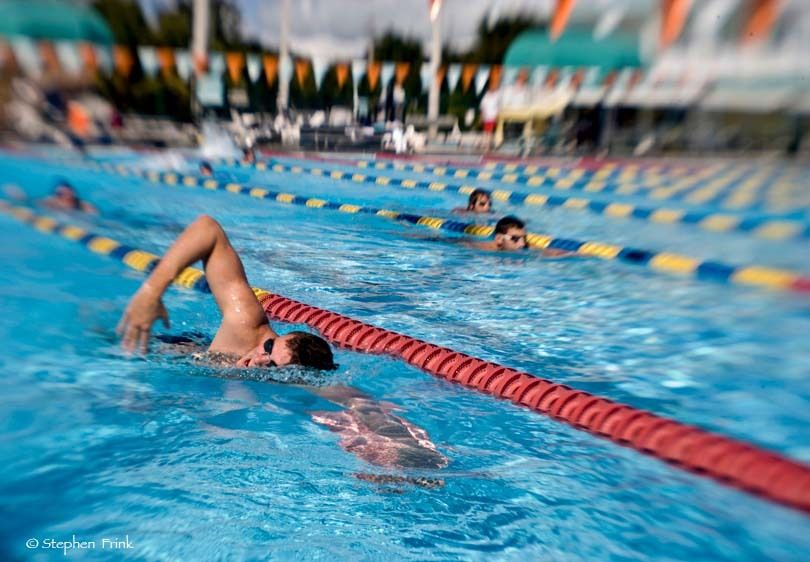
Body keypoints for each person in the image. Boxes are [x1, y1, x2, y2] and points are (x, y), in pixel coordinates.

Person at [118, 214, 335, 370]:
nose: (260, 356)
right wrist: (151, 292)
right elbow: (208, 229)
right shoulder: (247, 325)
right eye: (269, 346)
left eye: (271, 364)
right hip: (158, 347)